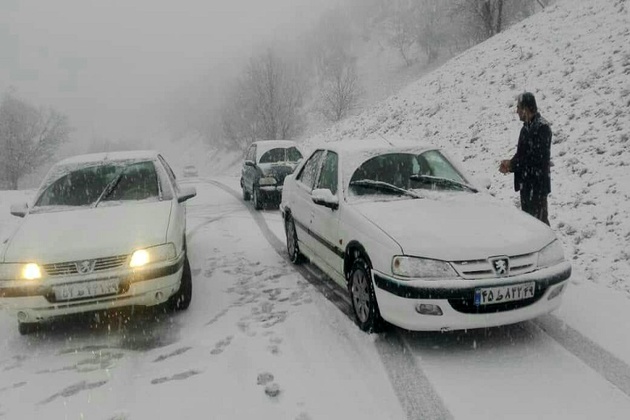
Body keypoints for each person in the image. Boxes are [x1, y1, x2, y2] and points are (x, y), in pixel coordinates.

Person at [499, 92, 552, 226]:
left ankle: (550, 247)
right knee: (530, 226)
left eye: (518, 107)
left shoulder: (542, 128)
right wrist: (510, 164)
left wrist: (513, 165)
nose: (516, 111)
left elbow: (535, 158)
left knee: (540, 226)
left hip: (537, 186)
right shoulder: (526, 128)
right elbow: (522, 154)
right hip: (526, 186)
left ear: (526, 109)